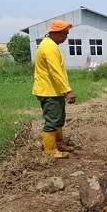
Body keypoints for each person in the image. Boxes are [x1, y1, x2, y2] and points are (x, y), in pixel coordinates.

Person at [32, 19, 76, 159]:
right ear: (56, 33)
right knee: (52, 121)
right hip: (48, 91)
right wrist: (68, 91)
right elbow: (55, 71)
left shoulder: (50, 45)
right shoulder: (49, 47)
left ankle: (59, 143)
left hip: (54, 90)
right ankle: (50, 150)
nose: (66, 37)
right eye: (65, 34)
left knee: (58, 118)